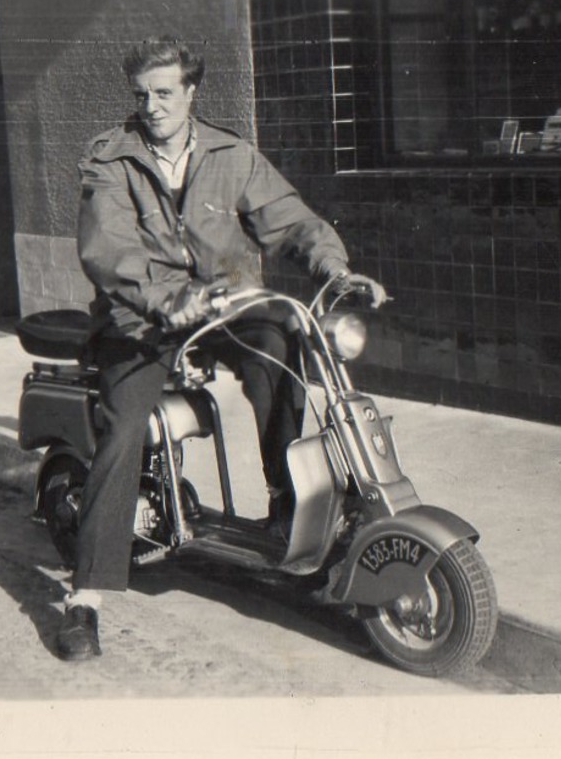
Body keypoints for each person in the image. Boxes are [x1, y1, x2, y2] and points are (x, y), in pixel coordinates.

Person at [56, 37, 385, 661]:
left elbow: (289, 219)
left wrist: (335, 270)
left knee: (280, 348)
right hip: (141, 318)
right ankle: (86, 598)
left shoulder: (231, 153)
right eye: (142, 95)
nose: (152, 107)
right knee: (125, 428)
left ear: (190, 93)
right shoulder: (111, 159)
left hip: (223, 306)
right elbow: (108, 248)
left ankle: (290, 509)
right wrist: (163, 298)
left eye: (165, 93)